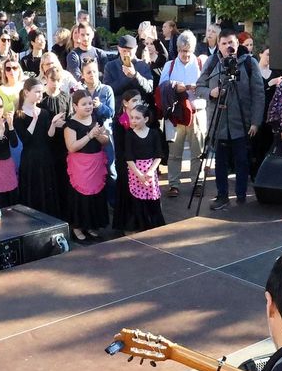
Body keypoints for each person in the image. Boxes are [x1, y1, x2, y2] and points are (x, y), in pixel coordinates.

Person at [195, 31, 265, 210]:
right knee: (220, 162)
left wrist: (256, 122)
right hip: (218, 122)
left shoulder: (249, 62)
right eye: (224, 43)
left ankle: (241, 196)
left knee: (242, 160)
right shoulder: (212, 62)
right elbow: (199, 86)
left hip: (242, 123)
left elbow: (258, 94)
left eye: (231, 43)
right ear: (218, 45)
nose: (228, 47)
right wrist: (211, 93)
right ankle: (222, 196)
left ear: (237, 43)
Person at [20, 66, 72, 221]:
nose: (38, 95)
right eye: (36, 92)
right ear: (26, 93)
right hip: (30, 158)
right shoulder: (20, 114)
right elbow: (26, 139)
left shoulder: (43, 112)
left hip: (45, 155)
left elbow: (48, 136)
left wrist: (52, 124)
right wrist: (35, 119)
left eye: (39, 92)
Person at [159, 31, 206, 197]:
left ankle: (197, 183)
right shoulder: (169, 65)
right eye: (182, 50)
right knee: (174, 152)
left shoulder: (202, 62)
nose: (186, 54)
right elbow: (161, 87)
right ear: (178, 49)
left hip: (197, 111)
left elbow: (208, 84)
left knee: (198, 151)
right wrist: (174, 86)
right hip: (176, 114)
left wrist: (197, 87)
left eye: (189, 50)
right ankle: (174, 184)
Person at [62, 89, 112, 241]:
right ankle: (77, 227)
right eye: (84, 104)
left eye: (90, 103)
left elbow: (105, 141)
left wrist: (100, 135)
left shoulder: (95, 119)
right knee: (80, 197)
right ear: (76, 106)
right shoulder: (70, 125)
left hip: (96, 163)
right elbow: (72, 147)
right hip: (80, 166)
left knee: (95, 196)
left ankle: (90, 225)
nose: (89, 106)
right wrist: (90, 135)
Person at [115, 102, 166, 232]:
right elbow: (129, 158)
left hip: (150, 171)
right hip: (135, 172)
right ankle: (141, 226)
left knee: (153, 200)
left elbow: (159, 155)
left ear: (146, 119)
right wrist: (139, 175)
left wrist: (150, 172)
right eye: (132, 117)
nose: (133, 121)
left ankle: (155, 226)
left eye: (137, 118)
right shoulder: (130, 135)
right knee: (138, 201)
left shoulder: (154, 134)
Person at [103, 35, 154, 107]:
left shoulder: (143, 65)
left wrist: (135, 75)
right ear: (118, 49)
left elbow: (149, 89)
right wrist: (127, 78)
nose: (126, 54)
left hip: (139, 107)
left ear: (136, 49)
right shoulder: (110, 66)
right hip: (118, 106)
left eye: (129, 51)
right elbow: (108, 91)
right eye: (124, 51)